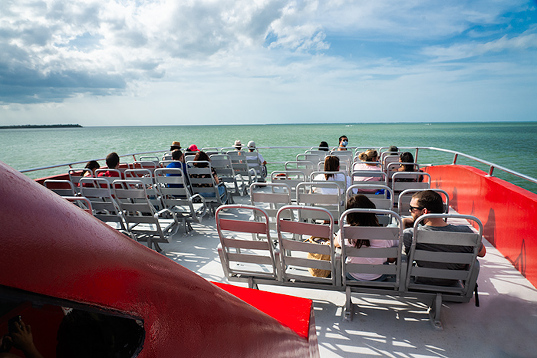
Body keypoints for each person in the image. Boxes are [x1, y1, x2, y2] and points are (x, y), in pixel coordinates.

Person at [402, 190, 486, 285]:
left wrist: (403, 224)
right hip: (451, 283)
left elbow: (402, 255)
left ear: (424, 211)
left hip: (422, 281)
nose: (410, 211)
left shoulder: (411, 234)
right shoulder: (466, 233)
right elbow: (482, 253)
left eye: (412, 208)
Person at [334, 195, 398, 281]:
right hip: (378, 276)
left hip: (352, 274)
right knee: (393, 228)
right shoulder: (385, 233)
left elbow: (335, 243)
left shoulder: (346, 231)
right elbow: (392, 259)